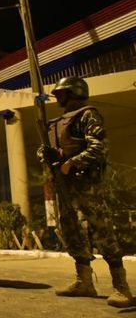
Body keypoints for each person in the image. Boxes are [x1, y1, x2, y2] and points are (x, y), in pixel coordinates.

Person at [40, 76, 133, 308]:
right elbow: (48, 150)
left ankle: (122, 287)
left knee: (101, 230)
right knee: (71, 230)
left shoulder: (88, 115)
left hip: (86, 184)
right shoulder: (55, 122)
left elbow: (99, 147)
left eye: (62, 93)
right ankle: (84, 281)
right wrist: (48, 155)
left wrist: (72, 162)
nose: (58, 97)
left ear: (74, 93)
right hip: (65, 185)